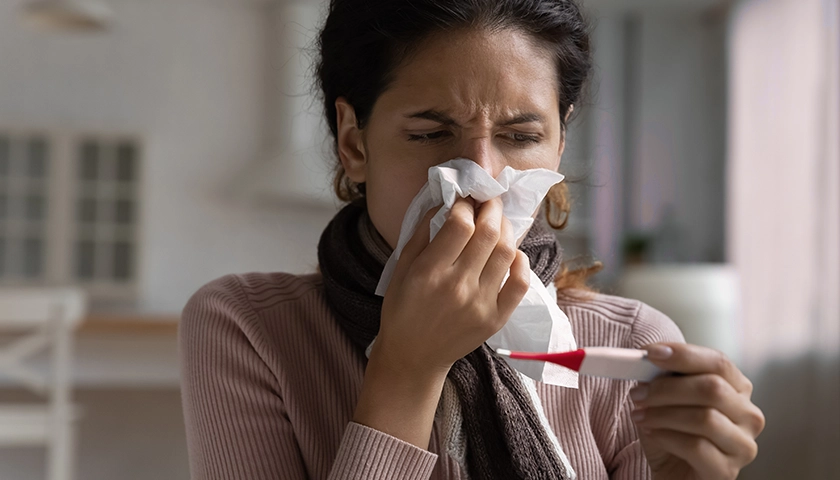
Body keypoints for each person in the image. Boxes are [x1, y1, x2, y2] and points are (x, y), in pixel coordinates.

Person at [179, 1, 765, 479]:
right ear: (355, 143)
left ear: (558, 148)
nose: (479, 179)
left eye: (520, 135)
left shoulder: (632, 342)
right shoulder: (247, 328)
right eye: (431, 133)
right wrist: (405, 370)